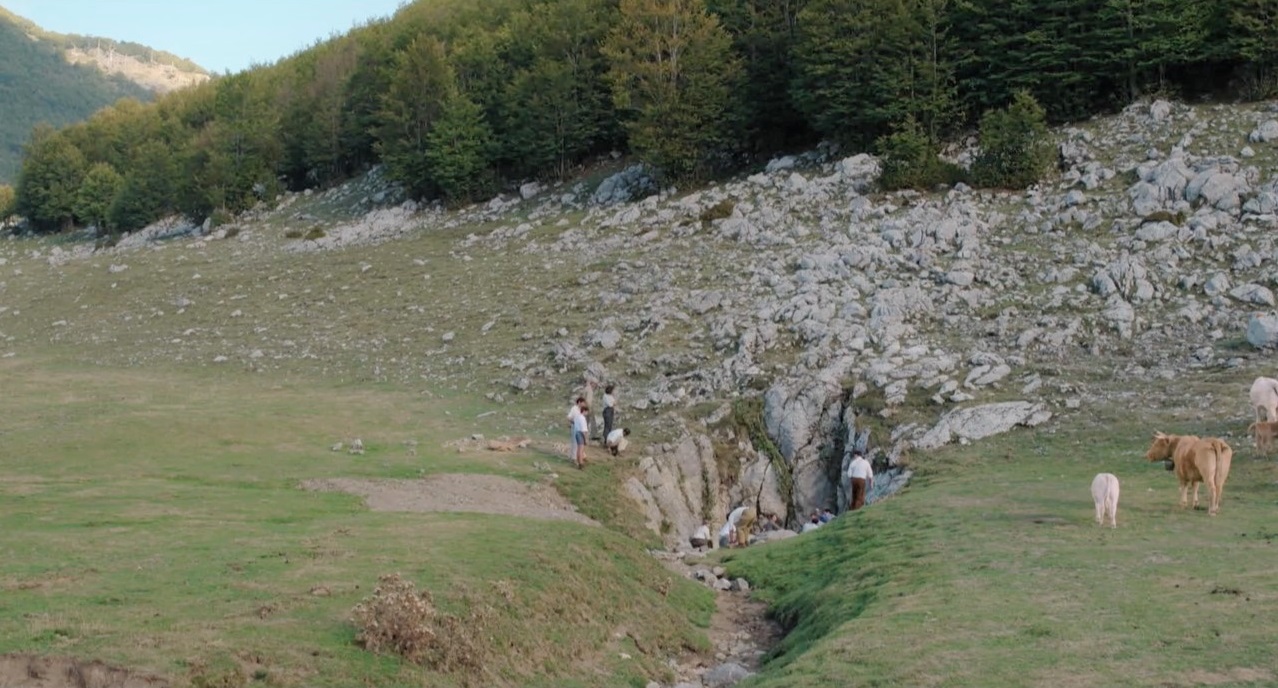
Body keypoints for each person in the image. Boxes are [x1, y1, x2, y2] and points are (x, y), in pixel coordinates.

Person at [567, 396, 586, 465]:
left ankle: (580, 456)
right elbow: (569, 417)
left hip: (580, 428)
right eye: (583, 403)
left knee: (580, 443)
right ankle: (573, 458)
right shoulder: (574, 409)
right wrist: (574, 422)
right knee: (574, 443)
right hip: (575, 427)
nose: (584, 404)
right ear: (579, 402)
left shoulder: (581, 410)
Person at [572, 404, 590, 469]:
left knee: (578, 449)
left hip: (577, 432)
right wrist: (586, 439)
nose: (587, 413)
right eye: (587, 412)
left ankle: (578, 461)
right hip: (581, 433)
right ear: (584, 411)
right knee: (581, 449)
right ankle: (581, 463)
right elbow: (583, 430)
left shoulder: (577, 417)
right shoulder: (582, 418)